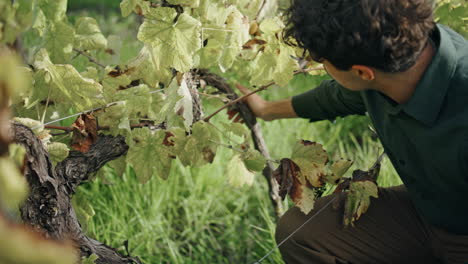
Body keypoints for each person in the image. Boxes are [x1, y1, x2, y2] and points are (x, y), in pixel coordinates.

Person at [236, 0, 468, 263]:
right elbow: (336, 97)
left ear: (361, 72)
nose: (323, 69)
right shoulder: (397, 58)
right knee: (301, 234)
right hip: (426, 212)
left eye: (323, 62)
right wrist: (266, 109)